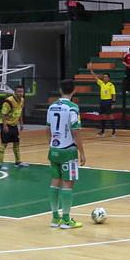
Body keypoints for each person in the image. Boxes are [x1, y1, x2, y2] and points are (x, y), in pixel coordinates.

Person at [46, 79, 86, 229]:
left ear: (60, 89)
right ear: (74, 90)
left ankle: (55, 218)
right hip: (68, 150)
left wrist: (51, 144)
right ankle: (66, 219)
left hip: (54, 149)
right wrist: (81, 152)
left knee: (55, 181)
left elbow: (47, 128)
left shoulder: (52, 106)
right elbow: (76, 131)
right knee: (68, 184)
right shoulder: (73, 108)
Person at [0, 85, 27, 170]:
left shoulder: (22, 100)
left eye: (22, 91)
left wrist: (21, 123)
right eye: (19, 91)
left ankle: (18, 162)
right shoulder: (8, 101)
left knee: (16, 144)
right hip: (6, 125)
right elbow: (3, 113)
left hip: (14, 125)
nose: (21, 93)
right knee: (4, 145)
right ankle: (0, 164)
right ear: (15, 92)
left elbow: (20, 112)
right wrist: (5, 126)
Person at [88, 67, 116, 136]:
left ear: (109, 78)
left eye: (106, 77)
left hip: (108, 101)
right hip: (102, 101)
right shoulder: (101, 83)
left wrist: (113, 103)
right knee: (103, 116)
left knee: (110, 116)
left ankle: (114, 131)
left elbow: (114, 95)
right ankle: (103, 131)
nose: (105, 78)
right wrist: (91, 70)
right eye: (104, 77)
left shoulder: (111, 85)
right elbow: (95, 77)